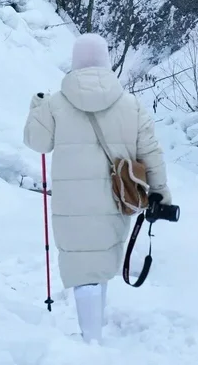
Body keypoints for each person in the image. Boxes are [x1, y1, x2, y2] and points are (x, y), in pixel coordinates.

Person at [23, 32, 171, 344]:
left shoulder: (54, 104)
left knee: (83, 267)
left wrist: (36, 108)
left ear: (75, 62)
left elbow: (37, 143)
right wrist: (160, 195)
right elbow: (151, 153)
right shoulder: (131, 105)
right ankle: (93, 338)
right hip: (115, 200)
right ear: (106, 62)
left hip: (71, 204)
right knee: (100, 264)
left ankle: (90, 341)